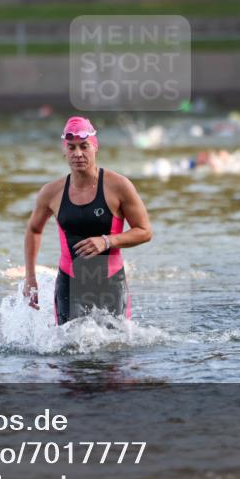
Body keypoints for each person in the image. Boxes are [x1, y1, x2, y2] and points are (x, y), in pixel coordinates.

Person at [23, 117, 152, 325]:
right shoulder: (51, 192)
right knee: (66, 352)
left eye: (84, 146)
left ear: (95, 147)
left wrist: (107, 241)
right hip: (69, 282)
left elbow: (144, 231)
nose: (78, 154)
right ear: (64, 151)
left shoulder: (118, 186)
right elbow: (33, 230)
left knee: (115, 351)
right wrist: (30, 278)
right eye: (71, 148)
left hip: (110, 282)